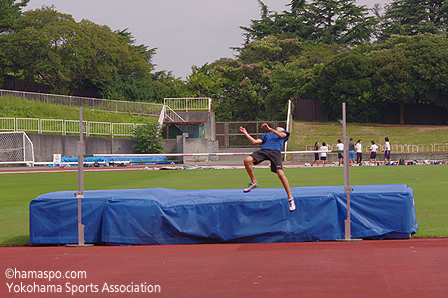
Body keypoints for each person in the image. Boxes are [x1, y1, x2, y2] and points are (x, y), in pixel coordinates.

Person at [239, 123, 296, 212]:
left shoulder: (284, 133)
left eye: (279, 128)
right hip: (264, 151)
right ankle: (254, 182)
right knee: (247, 160)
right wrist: (245, 132)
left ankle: (290, 199)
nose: (278, 127)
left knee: (281, 175)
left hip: (275, 153)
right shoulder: (267, 135)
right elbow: (255, 141)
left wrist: (270, 129)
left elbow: (281, 135)